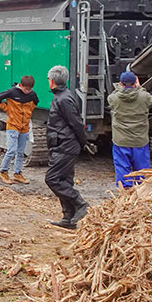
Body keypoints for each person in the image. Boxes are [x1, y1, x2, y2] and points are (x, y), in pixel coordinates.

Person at [45, 65, 89, 230]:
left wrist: (82, 142)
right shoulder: (61, 97)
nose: (48, 82)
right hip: (62, 144)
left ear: (53, 81)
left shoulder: (63, 99)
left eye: (49, 79)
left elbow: (76, 123)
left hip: (65, 144)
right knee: (65, 180)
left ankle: (80, 204)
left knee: (52, 179)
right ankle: (68, 217)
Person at [107, 71, 152, 189]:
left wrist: (120, 88)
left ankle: (125, 193)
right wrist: (140, 88)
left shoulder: (114, 98)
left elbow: (111, 97)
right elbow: (151, 100)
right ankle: (142, 193)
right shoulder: (144, 97)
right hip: (140, 141)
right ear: (135, 83)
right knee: (142, 171)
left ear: (121, 83)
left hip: (121, 140)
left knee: (122, 169)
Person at [0, 76, 39, 185]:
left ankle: (18, 173)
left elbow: (36, 102)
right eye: (26, 89)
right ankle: (3, 171)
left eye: (30, 89)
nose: (28, 92)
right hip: (13, 125)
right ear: (21, 85)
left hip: (25, 126)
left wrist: (28, 113)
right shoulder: (12, 92)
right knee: (11, 150)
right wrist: (8, 109)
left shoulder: (32, 94)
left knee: (20, 152)